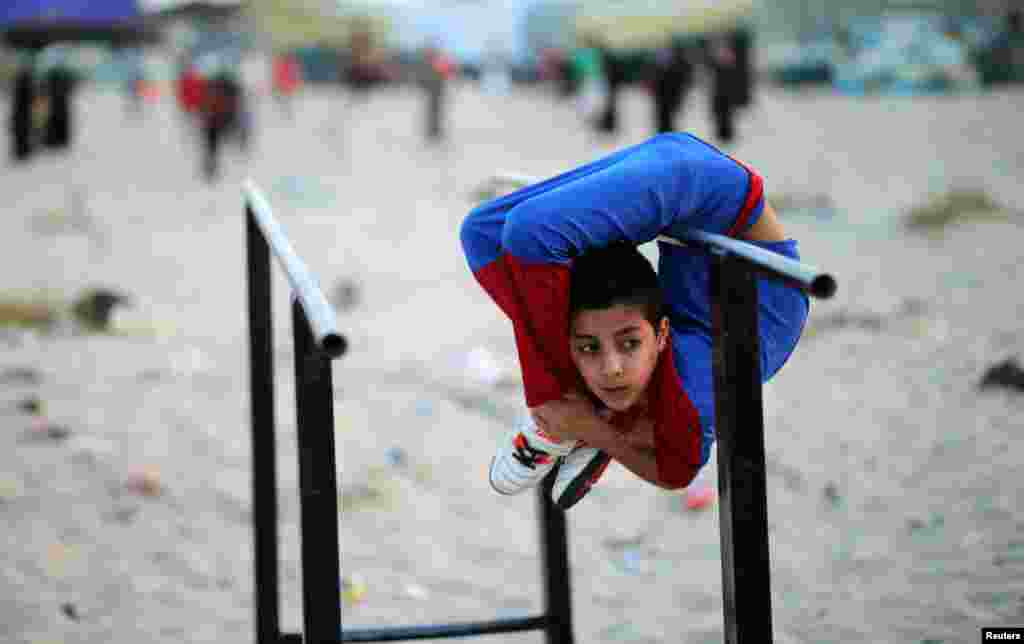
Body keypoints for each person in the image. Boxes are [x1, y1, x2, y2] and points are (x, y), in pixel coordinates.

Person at [460, 132, 809, 509]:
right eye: (592, 349)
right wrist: (589, 425)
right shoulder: (696, 388)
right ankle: (563, 402)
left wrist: (588, 427)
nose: (612, 370)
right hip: (726, 220)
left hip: (691, 182)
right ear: (662, 336)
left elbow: (673, 472)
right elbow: (677, 472)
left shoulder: (676, 373)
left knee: (483, 234)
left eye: (627, 345)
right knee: (529, 234)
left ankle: (566, 406)